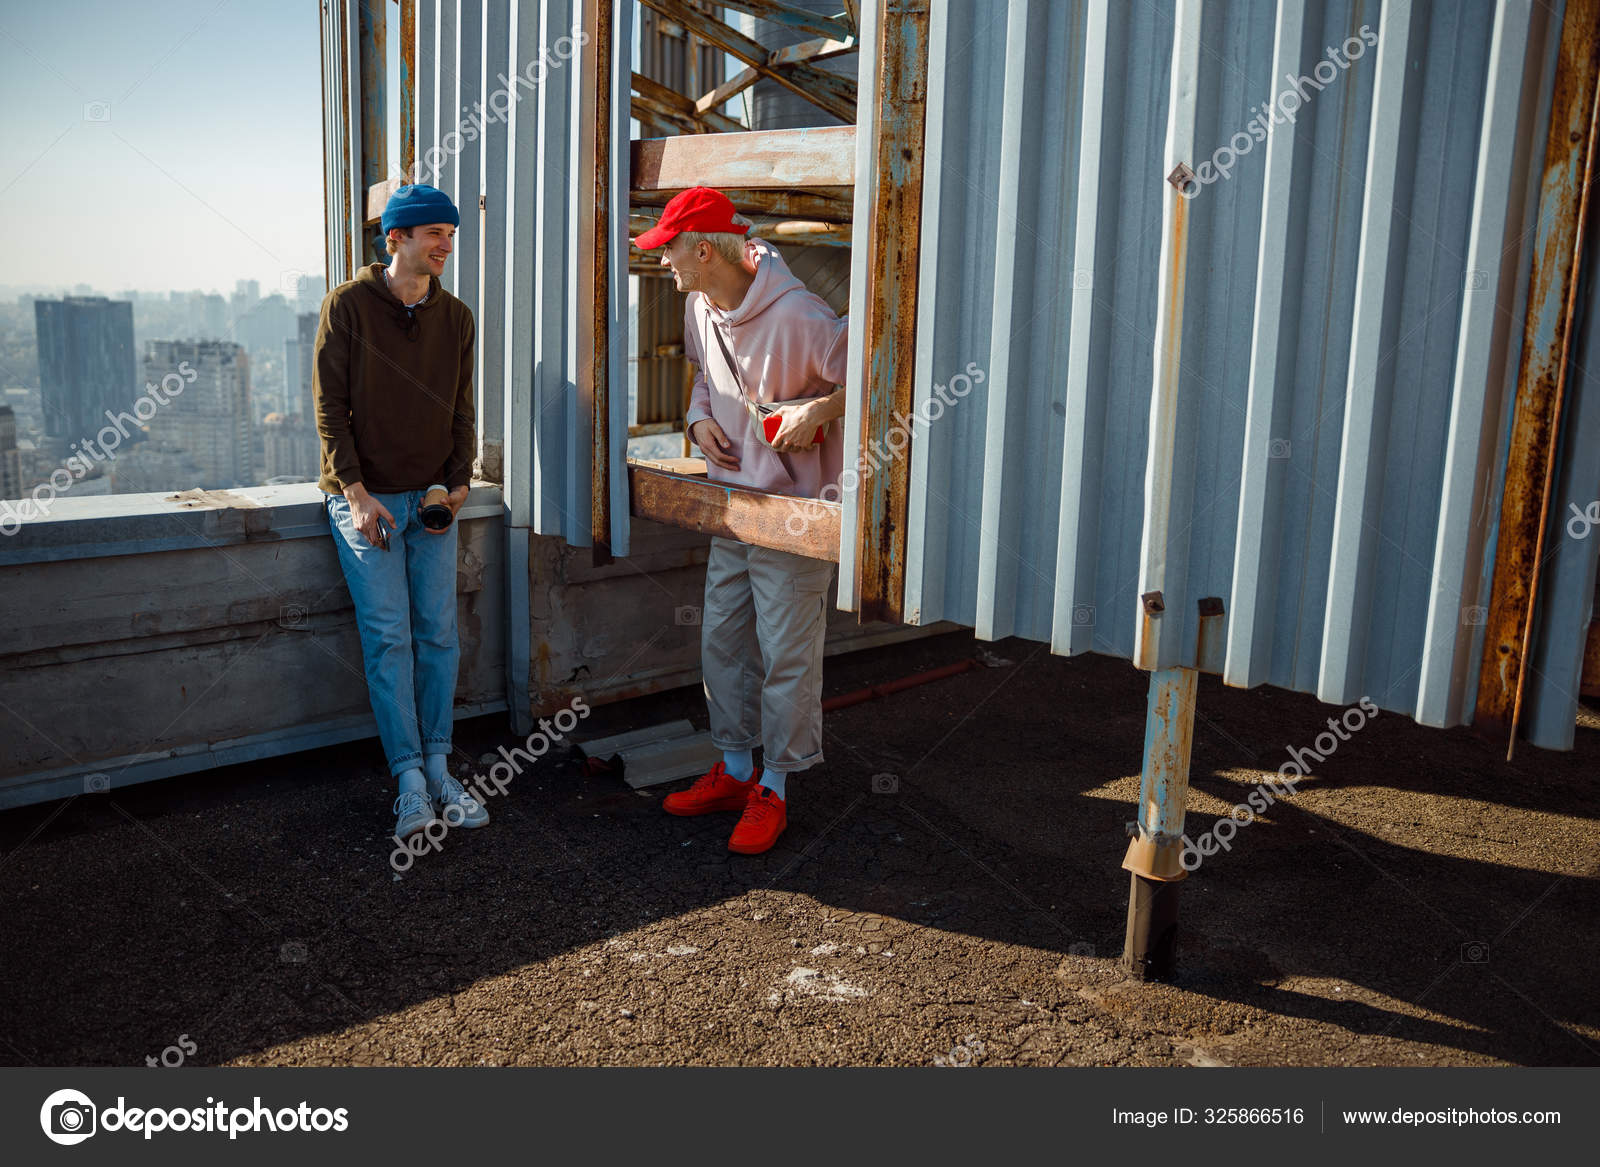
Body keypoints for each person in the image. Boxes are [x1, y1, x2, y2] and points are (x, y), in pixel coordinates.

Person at [632, 187, 849, 855]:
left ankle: (775, 787)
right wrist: (698, 420)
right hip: (731, 509)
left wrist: (819, 412)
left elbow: (877, 379)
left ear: (703, 249)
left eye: (667, 249)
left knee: (786, 655)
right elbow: (702, 376)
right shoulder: (701, 306)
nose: (662, 261)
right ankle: (733, 768)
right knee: (721, 643)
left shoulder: (804, 317)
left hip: (790, 515)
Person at [312, 182, 488, 843]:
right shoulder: (348, 306)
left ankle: (442, 768)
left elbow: (462, 408)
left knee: (439, 634)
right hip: (369, 501)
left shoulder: (457, 317)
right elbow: (329, 410)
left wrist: (458, 483)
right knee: (390, 638)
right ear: (396, 239)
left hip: (434, 498)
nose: (446, 244)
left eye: (451, 233)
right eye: (434, 233)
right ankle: (410, 781)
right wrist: (356, 495)